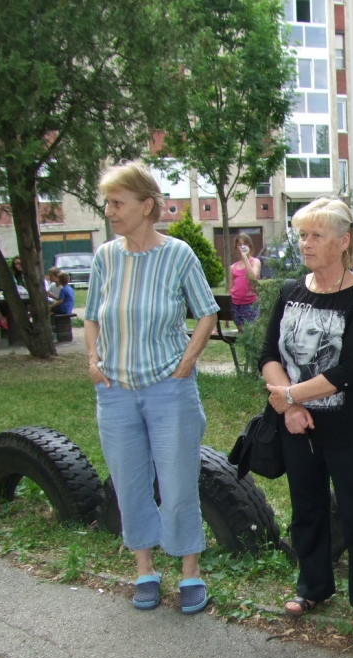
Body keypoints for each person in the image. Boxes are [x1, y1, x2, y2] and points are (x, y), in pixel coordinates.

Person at [84, 161, 219, 615]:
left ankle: (189, 572)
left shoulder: (178, 254)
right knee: (130, 483)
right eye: (107, 203)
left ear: (146, 206)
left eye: (117, 203)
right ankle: (144, 569)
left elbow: (207, 312)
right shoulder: (105, 257)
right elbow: (91, 316)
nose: (109, 211)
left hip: (168, 389)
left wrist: (188, 361)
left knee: (178, 483)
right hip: (115, 391)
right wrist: (93, 360)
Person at [259, 197, 353, 628]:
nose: (306, 243)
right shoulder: (289, 291)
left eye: (317, 235)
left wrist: (289, 395)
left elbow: (351, 368)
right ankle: (312, 586)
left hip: (350, 425)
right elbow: (268, 354)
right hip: (296, 423)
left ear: (344, 241)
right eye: (302, 235)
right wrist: (290, 405)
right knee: (306, 508)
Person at [227, 233, 261, 330]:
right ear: (236, 247)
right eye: (239, 244)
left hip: (251, 303)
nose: (242, 247)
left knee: (251, 331)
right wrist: (227, 314)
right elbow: (230, 289)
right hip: (236, 304)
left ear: (250, 246)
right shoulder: (233, 267)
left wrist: (245, 257)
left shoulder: (255, 262)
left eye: (245, 244)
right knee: (241, 331)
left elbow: (253, 277)